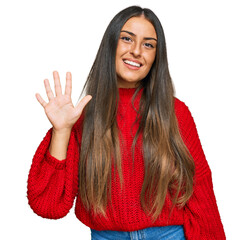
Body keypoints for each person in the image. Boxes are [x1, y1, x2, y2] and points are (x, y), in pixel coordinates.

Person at [27, 5, 226, 240]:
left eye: (148, 44)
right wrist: (62, 131)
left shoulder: (175, 112)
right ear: (111, 44)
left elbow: (199, 191)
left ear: (156, 57)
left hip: (168, 235)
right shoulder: (83, 116)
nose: (136, 51)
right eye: (127, 39)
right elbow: (48, 205)